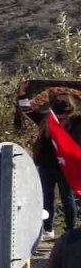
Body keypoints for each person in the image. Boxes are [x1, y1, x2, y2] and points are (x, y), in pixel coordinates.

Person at [27, 96, 81, 236]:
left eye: (63, 115)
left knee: (67, 198)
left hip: (65, 166)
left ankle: (70, 229)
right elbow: (27, 111)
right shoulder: (46, 120)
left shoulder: (76, 122)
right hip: (46, 165)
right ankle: (48, 228)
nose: (60, 118)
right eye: (58, 115)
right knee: (47, 197)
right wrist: (21, 95)